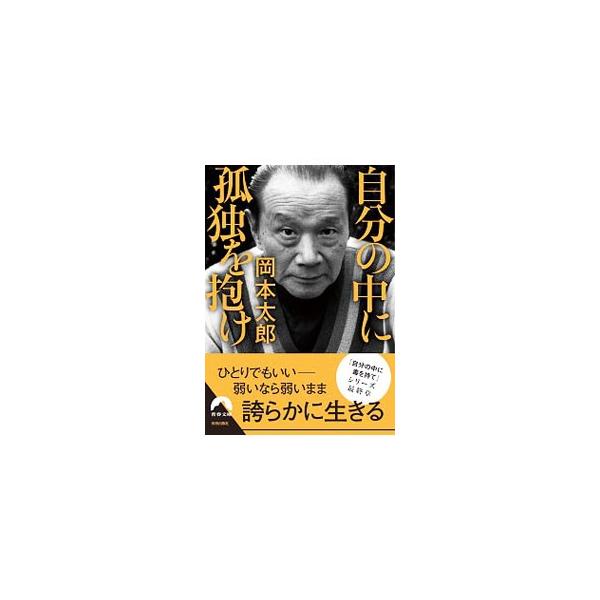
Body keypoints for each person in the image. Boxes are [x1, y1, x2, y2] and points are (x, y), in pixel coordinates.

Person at [205, 165, 395, 353]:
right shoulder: (218, 289)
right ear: (255, 229)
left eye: (327, 231)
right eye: (288, 232)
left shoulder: (388, 276)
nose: (309, 257)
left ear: (349, 226)